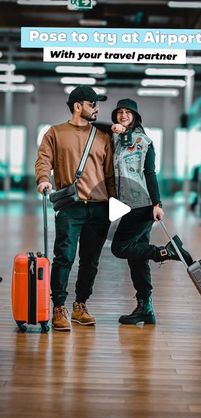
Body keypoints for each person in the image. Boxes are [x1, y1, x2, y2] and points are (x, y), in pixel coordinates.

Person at [35, 85, 115, 331]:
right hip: (71, 206)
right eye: (93, 104)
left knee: (90, 261)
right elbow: (43, 159)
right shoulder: (55, 133)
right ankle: (59, 307)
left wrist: (115, 203)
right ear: (78, 105)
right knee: (64, 257)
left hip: (100, 208)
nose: (97, 109)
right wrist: (43, 179)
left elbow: (110, 174)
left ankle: (81, 305)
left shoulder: (102, 137)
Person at [110, 99, 193, 325]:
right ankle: (145, 308)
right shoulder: (117, 140)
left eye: (128, 112)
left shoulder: (144, 141)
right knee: (136, 259)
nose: (123, 115)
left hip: (142, 204)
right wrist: (115, 130)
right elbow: (94, 126)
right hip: (126, 204)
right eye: (120, 112)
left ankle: (166, 252)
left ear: (136, 116)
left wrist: (157, 203)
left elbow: (150, 172)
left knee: (120, 248)